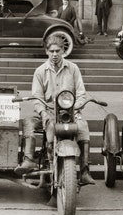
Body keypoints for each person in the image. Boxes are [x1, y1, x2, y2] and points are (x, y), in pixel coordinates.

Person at [14, 34, 95, 185]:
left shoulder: (73, 69)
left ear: (63, 51)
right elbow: (37, 96)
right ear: (46, 52)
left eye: (58, 51)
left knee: (83, 126)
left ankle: (84, 170)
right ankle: (29, 160)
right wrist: (43, 113)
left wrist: (75, 108)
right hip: (49, 112)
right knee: (28, 122)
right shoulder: (40, 71)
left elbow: (81, 93)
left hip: (69, 113)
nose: (55, 54)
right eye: (51, 51)